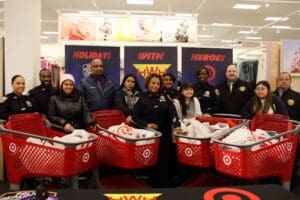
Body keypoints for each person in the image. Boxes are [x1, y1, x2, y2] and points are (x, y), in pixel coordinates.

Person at [132, 73, 181, 188]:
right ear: (148, 84)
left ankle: (165, 186)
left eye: (158, 84)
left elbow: (172, 113)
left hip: (164, 134)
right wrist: (147, 124)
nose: (155, 85)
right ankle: (151, 185)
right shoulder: (141, 97)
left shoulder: (165, 97)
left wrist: (176, 125)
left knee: (164, 160)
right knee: (151, 160)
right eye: (153, 83)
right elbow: (135, 116)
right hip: (148, 135)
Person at [272, 72, 300, 191]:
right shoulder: (270, 94)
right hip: (273, 134)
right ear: (278, 81)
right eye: (281, 79)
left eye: (286, 79)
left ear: (290, 81)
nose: (284, 81)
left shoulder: (297, 96)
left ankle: (290, 187)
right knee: (273, 160)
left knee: (290, 160)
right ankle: (272, 185)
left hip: (291, 134)